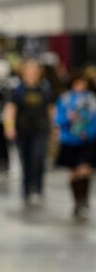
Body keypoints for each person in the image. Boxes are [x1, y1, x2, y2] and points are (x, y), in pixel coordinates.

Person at [4, 58, 55, 207]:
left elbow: (50, 109)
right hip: (22, 129)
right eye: (28, 70)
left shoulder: (45, 88)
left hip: (40, 129)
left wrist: (54, 127)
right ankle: (26, 188)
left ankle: (38, 188)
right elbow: (10, 109)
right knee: (25, 159)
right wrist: (9, 127)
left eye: (34, 70)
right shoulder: (17, 89)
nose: (31, 73)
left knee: (38, 157)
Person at [53, 71, 96, 219]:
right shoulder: (65, 99)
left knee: (84, 169)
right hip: (69, 139)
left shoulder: (91, 99)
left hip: (87, 140)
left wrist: (88, 132)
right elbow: (58, 118)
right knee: (73, 172)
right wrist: (67, 119)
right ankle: (77, 201)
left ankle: (84, 198)